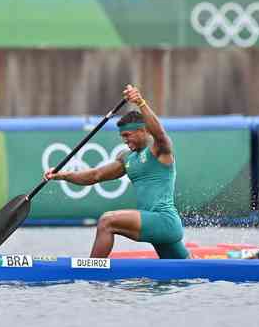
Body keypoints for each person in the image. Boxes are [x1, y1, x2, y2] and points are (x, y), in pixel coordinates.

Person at [44, 84, 189, 259]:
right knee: (185, 272)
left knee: (107, 221)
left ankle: (91, 270)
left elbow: (160, 134)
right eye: (122, 137)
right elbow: (95, 175)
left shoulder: (159, 150)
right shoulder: (127, 158)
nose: (125, 141)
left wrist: (140, 102)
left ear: (143, 130)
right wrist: (61, 175)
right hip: (155, 225)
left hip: (163, 220)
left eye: (128, 135)